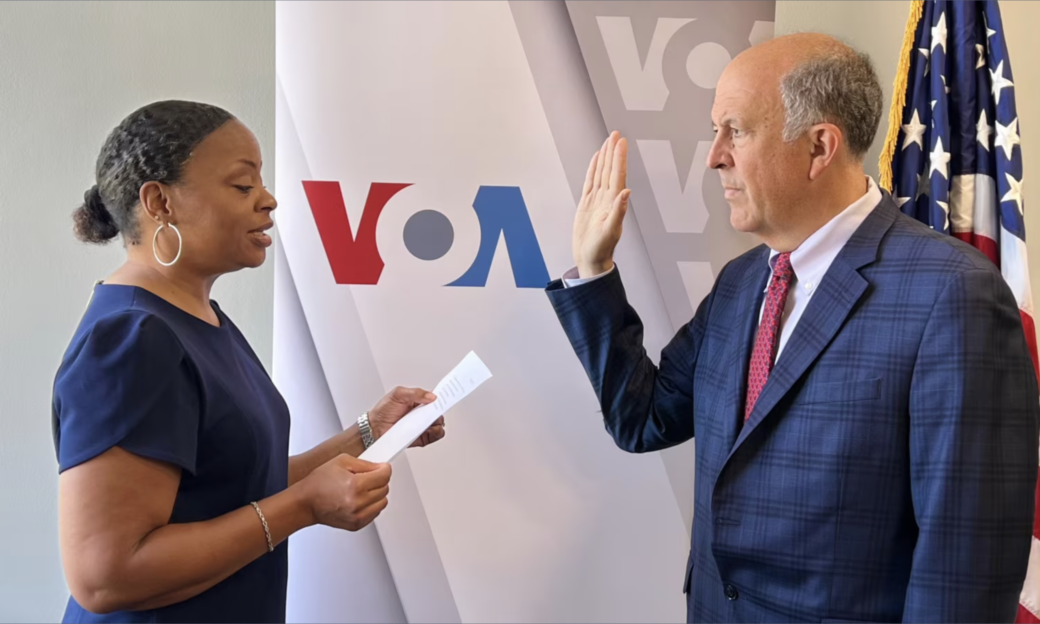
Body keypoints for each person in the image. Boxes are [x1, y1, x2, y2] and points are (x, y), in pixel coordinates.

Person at [546, 33, 1039, 623]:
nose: (714, 156)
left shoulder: (953, 294)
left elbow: (964, 567)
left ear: (819, 146)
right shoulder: (739, 283)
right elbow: (643, 418)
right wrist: (595, 271)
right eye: (714, 132)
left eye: (737, 130)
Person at [52, 100, 446, 623]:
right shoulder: (132, 337)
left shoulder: (196, 318)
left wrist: (369, 433)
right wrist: (305, 507)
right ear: (160, 202)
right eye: (243, 187)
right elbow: (105, 575)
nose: (269, 200)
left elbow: (232, 485)